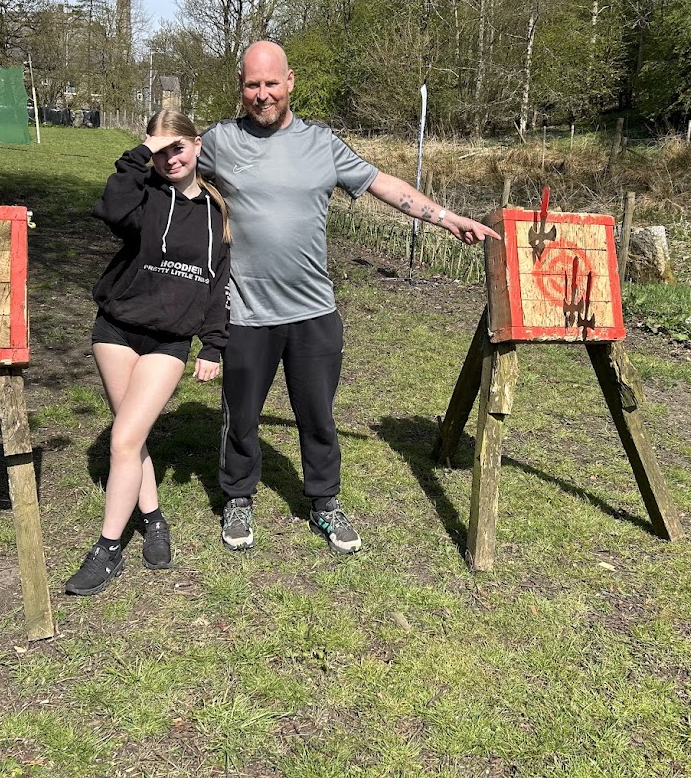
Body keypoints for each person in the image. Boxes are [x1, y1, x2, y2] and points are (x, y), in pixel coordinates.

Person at [198, 40, 500, 556]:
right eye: (253, 85)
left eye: (272, 83)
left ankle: (324, 503)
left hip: (314, 311)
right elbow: (168, 170)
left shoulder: (322, 144)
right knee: (241, 413)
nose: (263, 95)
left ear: (290, 82)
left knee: (317, 415)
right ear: (241, 87)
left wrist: (447, 219)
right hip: (246, 310)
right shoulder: (219, 141)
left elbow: (383, 184)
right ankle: (238, 496)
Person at [65, 110, 232, 595]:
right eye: (159, 153)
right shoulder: (145, 195)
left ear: (197, 145)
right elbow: (111, 210)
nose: (169, 159)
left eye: (176, 148)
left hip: (170, 339)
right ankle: (154, 519)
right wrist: (142, 153)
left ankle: (107, 547)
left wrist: (213, 344)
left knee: (123, 441)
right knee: (129, 439)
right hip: (115, 329)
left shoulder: (218, 211)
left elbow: (220, 280)